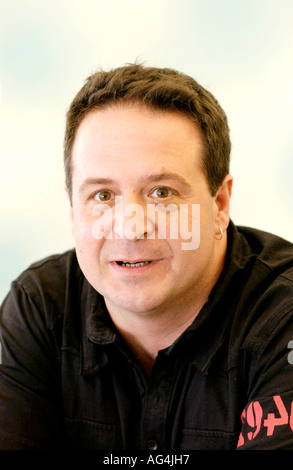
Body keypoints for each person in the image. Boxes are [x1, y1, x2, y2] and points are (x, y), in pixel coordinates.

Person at [0, 63, 293, 451]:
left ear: (219, 203)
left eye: (162, 193)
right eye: (102, 196)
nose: (130, 227)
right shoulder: (40, 307)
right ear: (73, 210)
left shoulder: (282, 315)